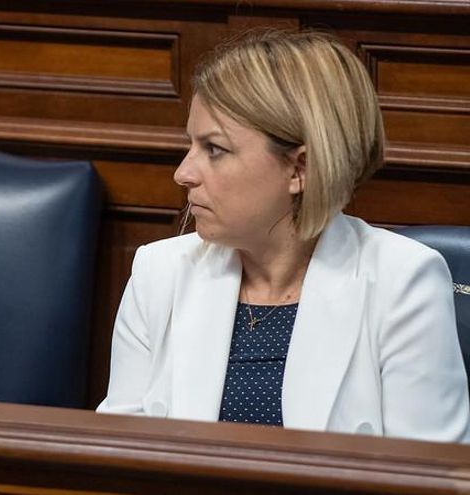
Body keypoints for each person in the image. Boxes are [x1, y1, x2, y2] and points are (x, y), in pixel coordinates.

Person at [97, 30, 469, 442]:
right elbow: (121, 456)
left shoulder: (403, 283)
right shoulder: (159, 273)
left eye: (214, 150)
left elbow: (424, 476)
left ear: (300, 168)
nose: (183, 174)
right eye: (191, 146)